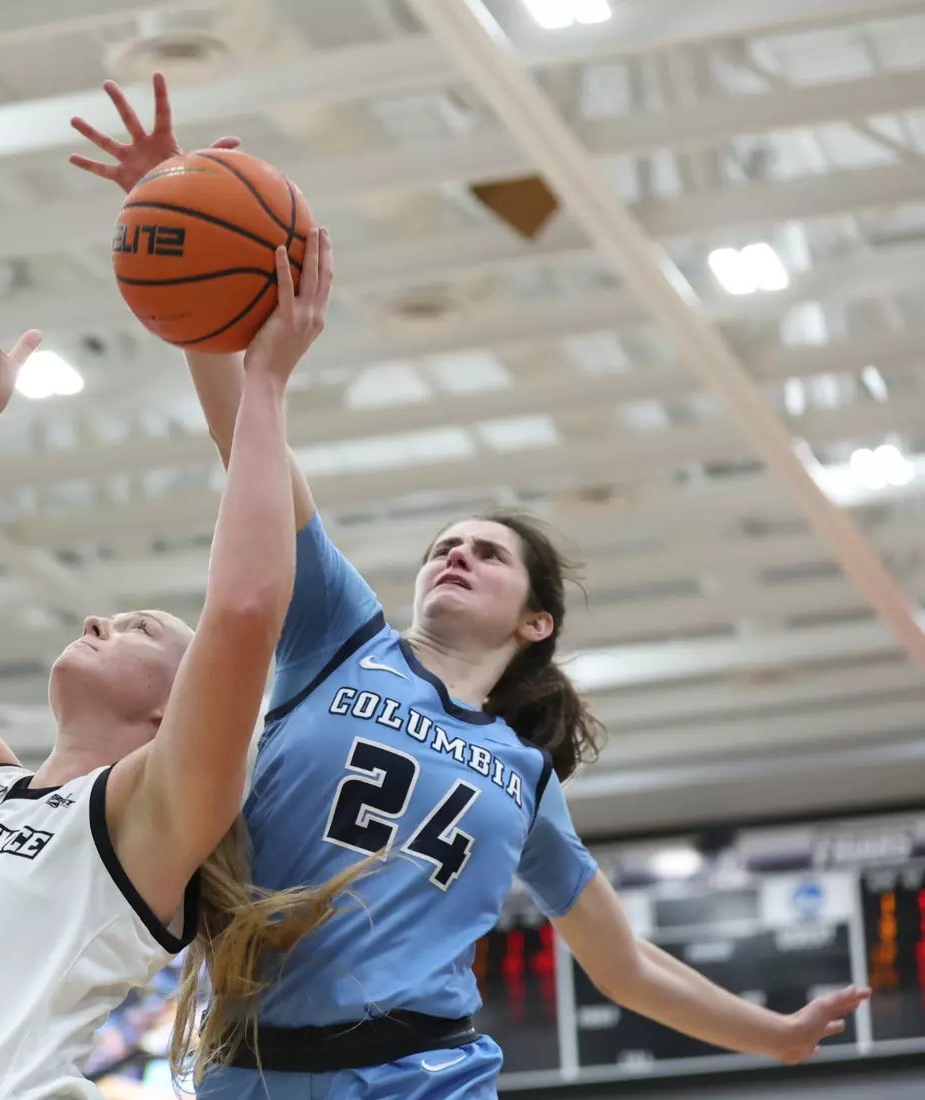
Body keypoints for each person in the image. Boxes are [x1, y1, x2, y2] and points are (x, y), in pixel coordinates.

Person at [70, 74, 872, 1098]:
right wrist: (178, 215)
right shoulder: (336, 636)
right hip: (250, 1068)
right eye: (445, 543)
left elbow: (623, 963)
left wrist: (775, 1032)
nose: (455, 554)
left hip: (423, 1069)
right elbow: (248, 445)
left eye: (488, 552)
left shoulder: (524, 776)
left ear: (536, 621)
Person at [0, 242, 334, 1099]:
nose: (98, 620)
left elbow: (241, 611)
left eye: (139, 627)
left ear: (175, 709)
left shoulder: (149, 823)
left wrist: (262, 389)